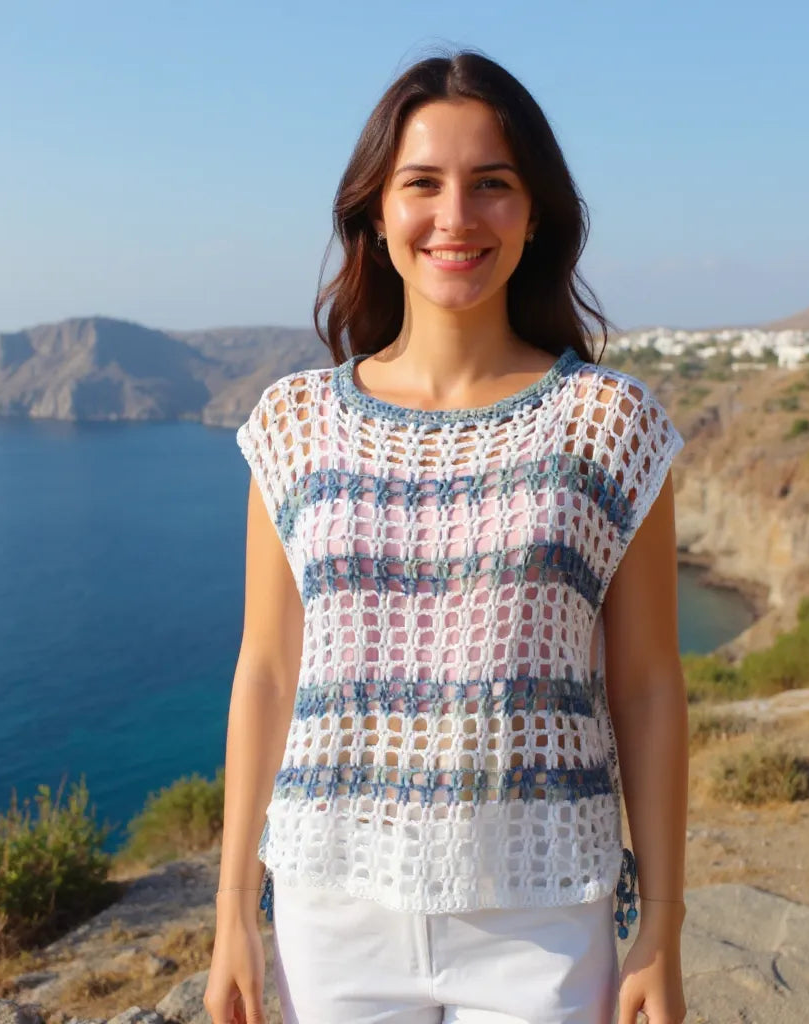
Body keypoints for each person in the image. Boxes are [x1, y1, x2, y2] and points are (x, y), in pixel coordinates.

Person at [205, 49, 688, 1024]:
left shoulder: (609, 423)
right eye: (421, 183)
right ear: (375, 215)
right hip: (330, 910)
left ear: (535, 212)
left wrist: (662, 932)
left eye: (492, 185)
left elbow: (645, 684)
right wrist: (230, 913)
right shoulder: (295, 424)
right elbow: (265, 668)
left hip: (544, 916)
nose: (456, 216)